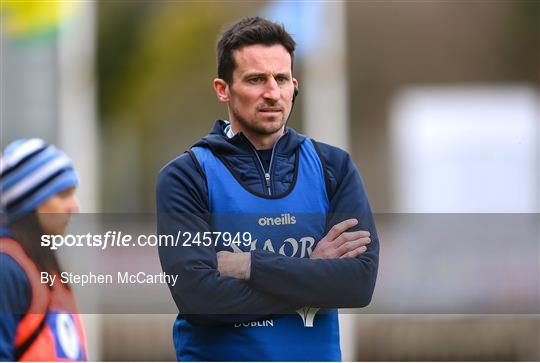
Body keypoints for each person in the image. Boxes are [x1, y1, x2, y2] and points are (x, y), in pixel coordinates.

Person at [157, 16, 379, 361]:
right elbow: (199, 299)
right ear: (223, 89)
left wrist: (246, 265)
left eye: (281, 79)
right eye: (256, 79)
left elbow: (357, 284)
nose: (272, 93)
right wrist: (313, 269)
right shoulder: (186, 176)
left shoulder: (333, 168)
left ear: (294, 85)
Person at [0, 139, 87, 361]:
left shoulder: (43, 270)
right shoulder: (7, 269)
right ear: (31, 201)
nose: (74, 206)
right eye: (63, 194)